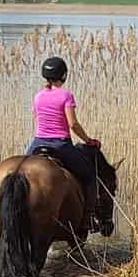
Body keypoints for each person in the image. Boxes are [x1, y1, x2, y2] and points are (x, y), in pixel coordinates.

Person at [27, 55, 100, 204]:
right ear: (63, 75)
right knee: (89, 175)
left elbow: (37, 118)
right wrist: (88, 141)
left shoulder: (38, 96)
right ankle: (89, 213)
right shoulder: (66, 95)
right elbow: (73, 124)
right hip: (61, 145)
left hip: (38, 143)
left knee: (22, 171)